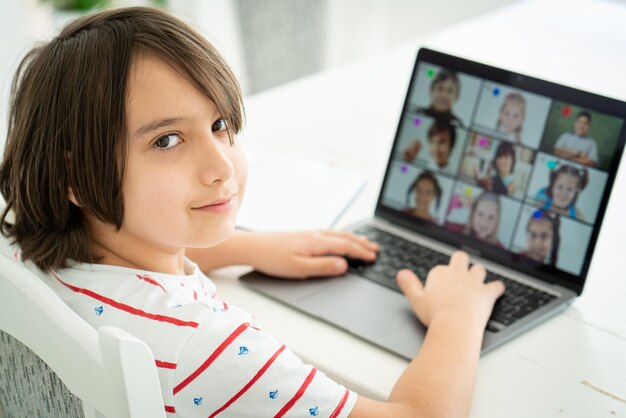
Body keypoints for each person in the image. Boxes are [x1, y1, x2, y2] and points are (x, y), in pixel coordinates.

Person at [0, 7, 504, 418]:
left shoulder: (25, 249)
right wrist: (456, 320)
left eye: (220, 124)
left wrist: (245, 246)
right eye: (167, 140)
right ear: (74, 179)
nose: (221, 166)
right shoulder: (208, 348)